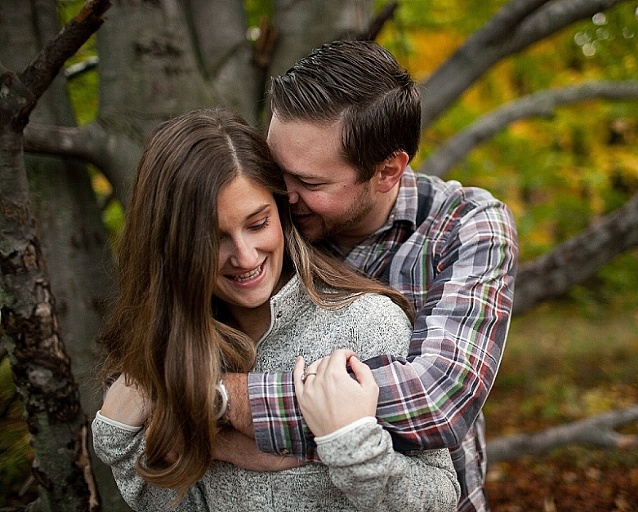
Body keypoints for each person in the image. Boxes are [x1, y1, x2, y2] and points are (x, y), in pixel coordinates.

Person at [90, 107, 460, 511]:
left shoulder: (366, 322)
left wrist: (350, 447)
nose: (246, 257)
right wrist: (119, 436)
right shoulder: (181, 345)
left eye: (257, 223)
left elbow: (440, 497)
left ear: (282, 211)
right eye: (214, 238)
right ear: (172, 248)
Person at [217, 40, 518, 512]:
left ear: (387, 171)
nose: (281, 195)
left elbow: (436, 399)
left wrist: (220, 403)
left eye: (310, 183)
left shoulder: (467, 225)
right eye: (277, 171)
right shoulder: (262, 230)